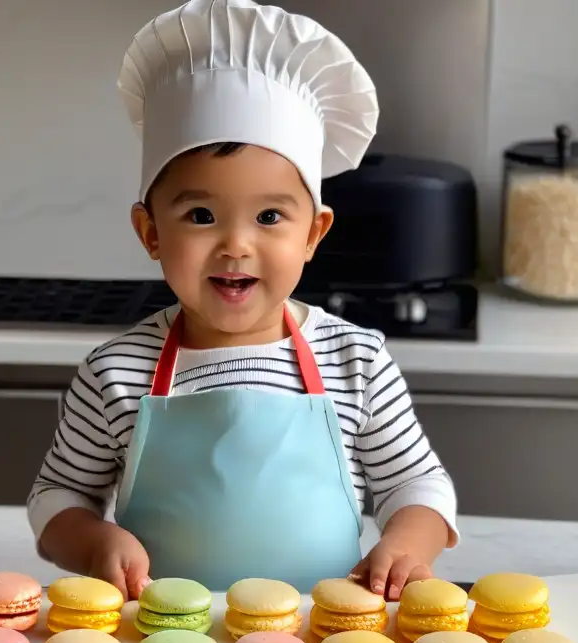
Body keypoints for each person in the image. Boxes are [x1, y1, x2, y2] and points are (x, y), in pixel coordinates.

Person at [27, 0, 458, 600]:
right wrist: (94, 540)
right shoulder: (115, 372)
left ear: (313, 234)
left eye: (269, 216)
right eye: (201, 215)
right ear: (151, 233)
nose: (236, 245)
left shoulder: (355, 360)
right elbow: (57, 499)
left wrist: (405, 545)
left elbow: (417, 485)